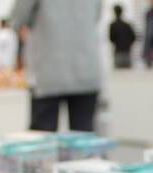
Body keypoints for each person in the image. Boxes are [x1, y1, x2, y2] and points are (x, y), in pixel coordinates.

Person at [12, 0, 102, 132]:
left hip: (48, 71)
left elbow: (18, 18)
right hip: (86, 68)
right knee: (83, 135)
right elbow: (96, 15)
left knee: (43, 137)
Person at [109, 5, 136, 69]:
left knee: (119, 73)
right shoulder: (127, 25)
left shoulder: (113, 25)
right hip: (127, 52)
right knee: (128, 73)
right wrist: (128, 44)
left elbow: (111, 39)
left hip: (118, 52)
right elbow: (133, 37)